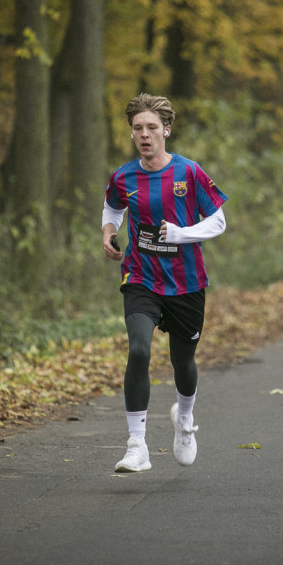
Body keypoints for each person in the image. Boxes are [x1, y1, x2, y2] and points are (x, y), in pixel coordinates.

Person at [101, 93, 228, 473]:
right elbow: (113, 207)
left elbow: (218, 220)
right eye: (138, 128)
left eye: (152, 127)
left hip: (187, 282)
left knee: (182, 362)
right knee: (139, 350)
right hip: (141, 277)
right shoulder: (123, 176)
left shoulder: (188, 172)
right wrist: (109, 232)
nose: (144, 134)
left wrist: (181, 234)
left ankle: (185, 422)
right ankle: (136, 445)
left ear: (166, 131)